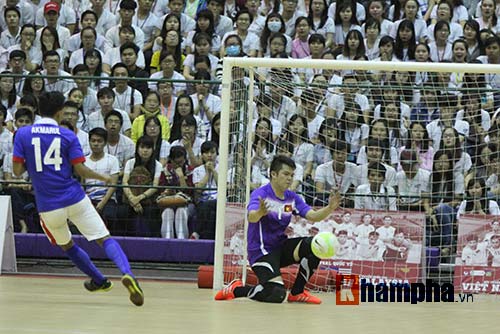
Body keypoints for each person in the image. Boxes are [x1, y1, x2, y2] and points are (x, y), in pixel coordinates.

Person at [12, 91, 144, 307]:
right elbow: (81, 170)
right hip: (74, 198)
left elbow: (17, 171)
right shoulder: (68, 136)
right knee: (104, 238)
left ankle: (99, 280)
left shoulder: (24, 134)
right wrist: (102, 176)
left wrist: (35, 167)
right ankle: (127, 273)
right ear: (59, 112)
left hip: (48, 206)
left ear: (37, 109)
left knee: (68, 246)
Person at [214, 155, 341, 304]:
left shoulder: (292, 197)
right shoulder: (260, 194)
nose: (290, 179)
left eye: (292, 175)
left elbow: (313, 216)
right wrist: (260, 213)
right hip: (261, 253)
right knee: (276, 294)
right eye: (286, 174)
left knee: (315, 246)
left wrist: (330, 208)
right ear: (273, 174)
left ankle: (297, 292)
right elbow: (251, 217)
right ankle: (237, 289)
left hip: (280, 248)